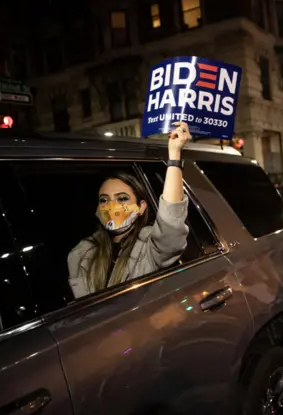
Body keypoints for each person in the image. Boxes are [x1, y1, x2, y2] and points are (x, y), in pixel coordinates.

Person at [68, 121, 192, 298]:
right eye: (104, 200)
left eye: (122, 198)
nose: (112, 206)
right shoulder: (81, 253)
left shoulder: (149, 248)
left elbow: (171, 224)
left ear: (141, 207)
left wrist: (174, 156)